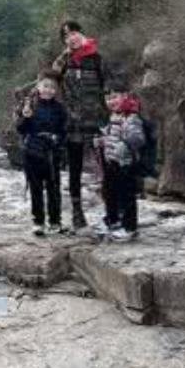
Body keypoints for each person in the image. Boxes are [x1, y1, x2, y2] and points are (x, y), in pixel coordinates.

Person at [52, 21, 107, 232]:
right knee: (74, 168)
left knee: (106, 166)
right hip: (73, 122)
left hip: (96, 120)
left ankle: (113, 213)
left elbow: (108, 86)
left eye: (73, 33)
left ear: (81, 33)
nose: (71, 38)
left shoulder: (96, 58)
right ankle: (77, 213)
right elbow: (50, 79)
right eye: (66, 37)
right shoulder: (64, 61)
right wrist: (64, 55)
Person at [14, 76, 68, 237]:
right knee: (35, 189)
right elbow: (20, 129)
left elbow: (64, 130)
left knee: (54, 189)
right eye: (45, 86)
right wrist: (26, 116)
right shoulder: (29, 105)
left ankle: (55, 222)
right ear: (38, 87)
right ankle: (38, 222)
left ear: (56, 90)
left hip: (51, 152)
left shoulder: (59, 108)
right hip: (32, 151)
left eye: (52, 87)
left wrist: (58, 141)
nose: (48, 90)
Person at [93, 93, 146, 241]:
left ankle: (130, 227)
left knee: (126, 195)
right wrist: (102, 141)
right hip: (111, 162)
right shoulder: (112, 117)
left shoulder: (132, 118)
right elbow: (110, 136)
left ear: (126, 97)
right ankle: (113, 220)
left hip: (125, 164)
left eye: (115, 97)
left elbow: (138, 139)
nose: (111, 101)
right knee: (110, 193)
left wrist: (126, 143)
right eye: (108, 98)